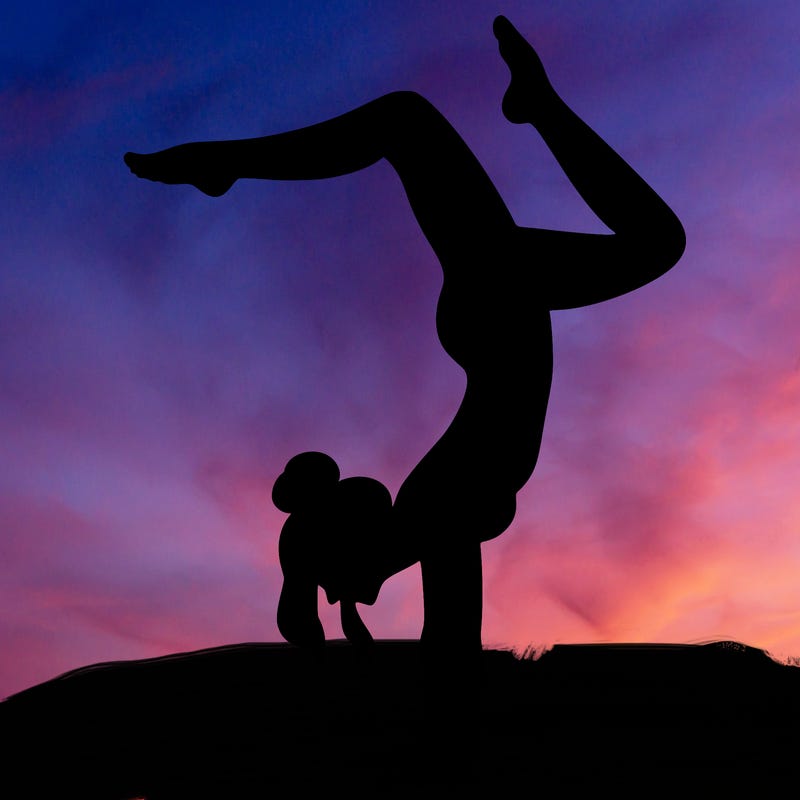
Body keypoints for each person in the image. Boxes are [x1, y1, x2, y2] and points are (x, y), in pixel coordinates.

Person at [125, 16, 685, 654]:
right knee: (649, 241)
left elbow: (441, 637)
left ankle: (231, 160)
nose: (359, 499)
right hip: (498, 294)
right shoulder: (438, 503)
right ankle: (538, 107)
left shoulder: (434, 500)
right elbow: (442, 636)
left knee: (407, 123)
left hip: (494, 298)